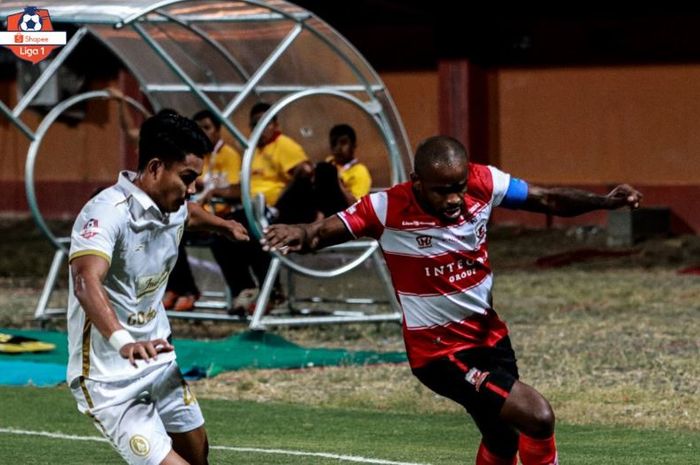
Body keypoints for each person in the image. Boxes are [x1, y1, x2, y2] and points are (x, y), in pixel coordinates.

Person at [261, 135, 642, 465]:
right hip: (440, 355)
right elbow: (322, 232)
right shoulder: (386, 208)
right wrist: (299, 232)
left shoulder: (484, 181)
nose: (455, 198)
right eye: (442, 190)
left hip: (490, 339)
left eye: (458, 186)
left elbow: (546, 198)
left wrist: (604, 202)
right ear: (417, 183)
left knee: (502, 438)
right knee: (538, 416)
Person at [67, 112, 249, 465]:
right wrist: (124, 341)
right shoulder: (107, 212)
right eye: (187, 178)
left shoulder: (173, 206)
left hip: (159, 361)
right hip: (108, 378)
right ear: (154, 168)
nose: (193, 188)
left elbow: (190, 213)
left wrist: (223, 225)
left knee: (198, 457)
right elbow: (85, 281)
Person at [162, 109, 244, 312]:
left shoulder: (229, 155)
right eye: (199, 128)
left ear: (218, 130)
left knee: (220, 238)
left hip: (219, 215)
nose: (203, 133)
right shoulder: (197, 155)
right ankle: (180, 288)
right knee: (167, 234)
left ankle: (242, 291)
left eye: (207, 128)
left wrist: (212, 191)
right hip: (197, 215)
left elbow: (237, 188)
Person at [314, 123, 372, 217]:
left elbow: (356, 207)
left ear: (353, 146)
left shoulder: (360, 171)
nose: (338, 148)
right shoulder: (329, 162)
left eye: (343, 143)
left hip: (344, 214)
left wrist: (337, 182)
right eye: (334, 143)